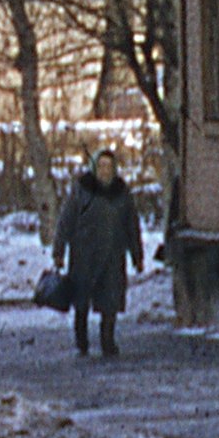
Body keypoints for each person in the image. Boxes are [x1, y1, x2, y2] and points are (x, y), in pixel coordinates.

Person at [52, 152, 145, 358]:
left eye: (109, 167)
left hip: (112, 255)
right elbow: (66, 220)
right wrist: (59, 251)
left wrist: (137, 256)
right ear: (95, 168)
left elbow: (132, 225)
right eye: (101, 166)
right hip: (84, 255)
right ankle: (82, 341)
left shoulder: (121, 193)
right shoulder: (82, 190)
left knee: (110, 301)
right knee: (82, 300)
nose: (105, 171)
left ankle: (107, 341)